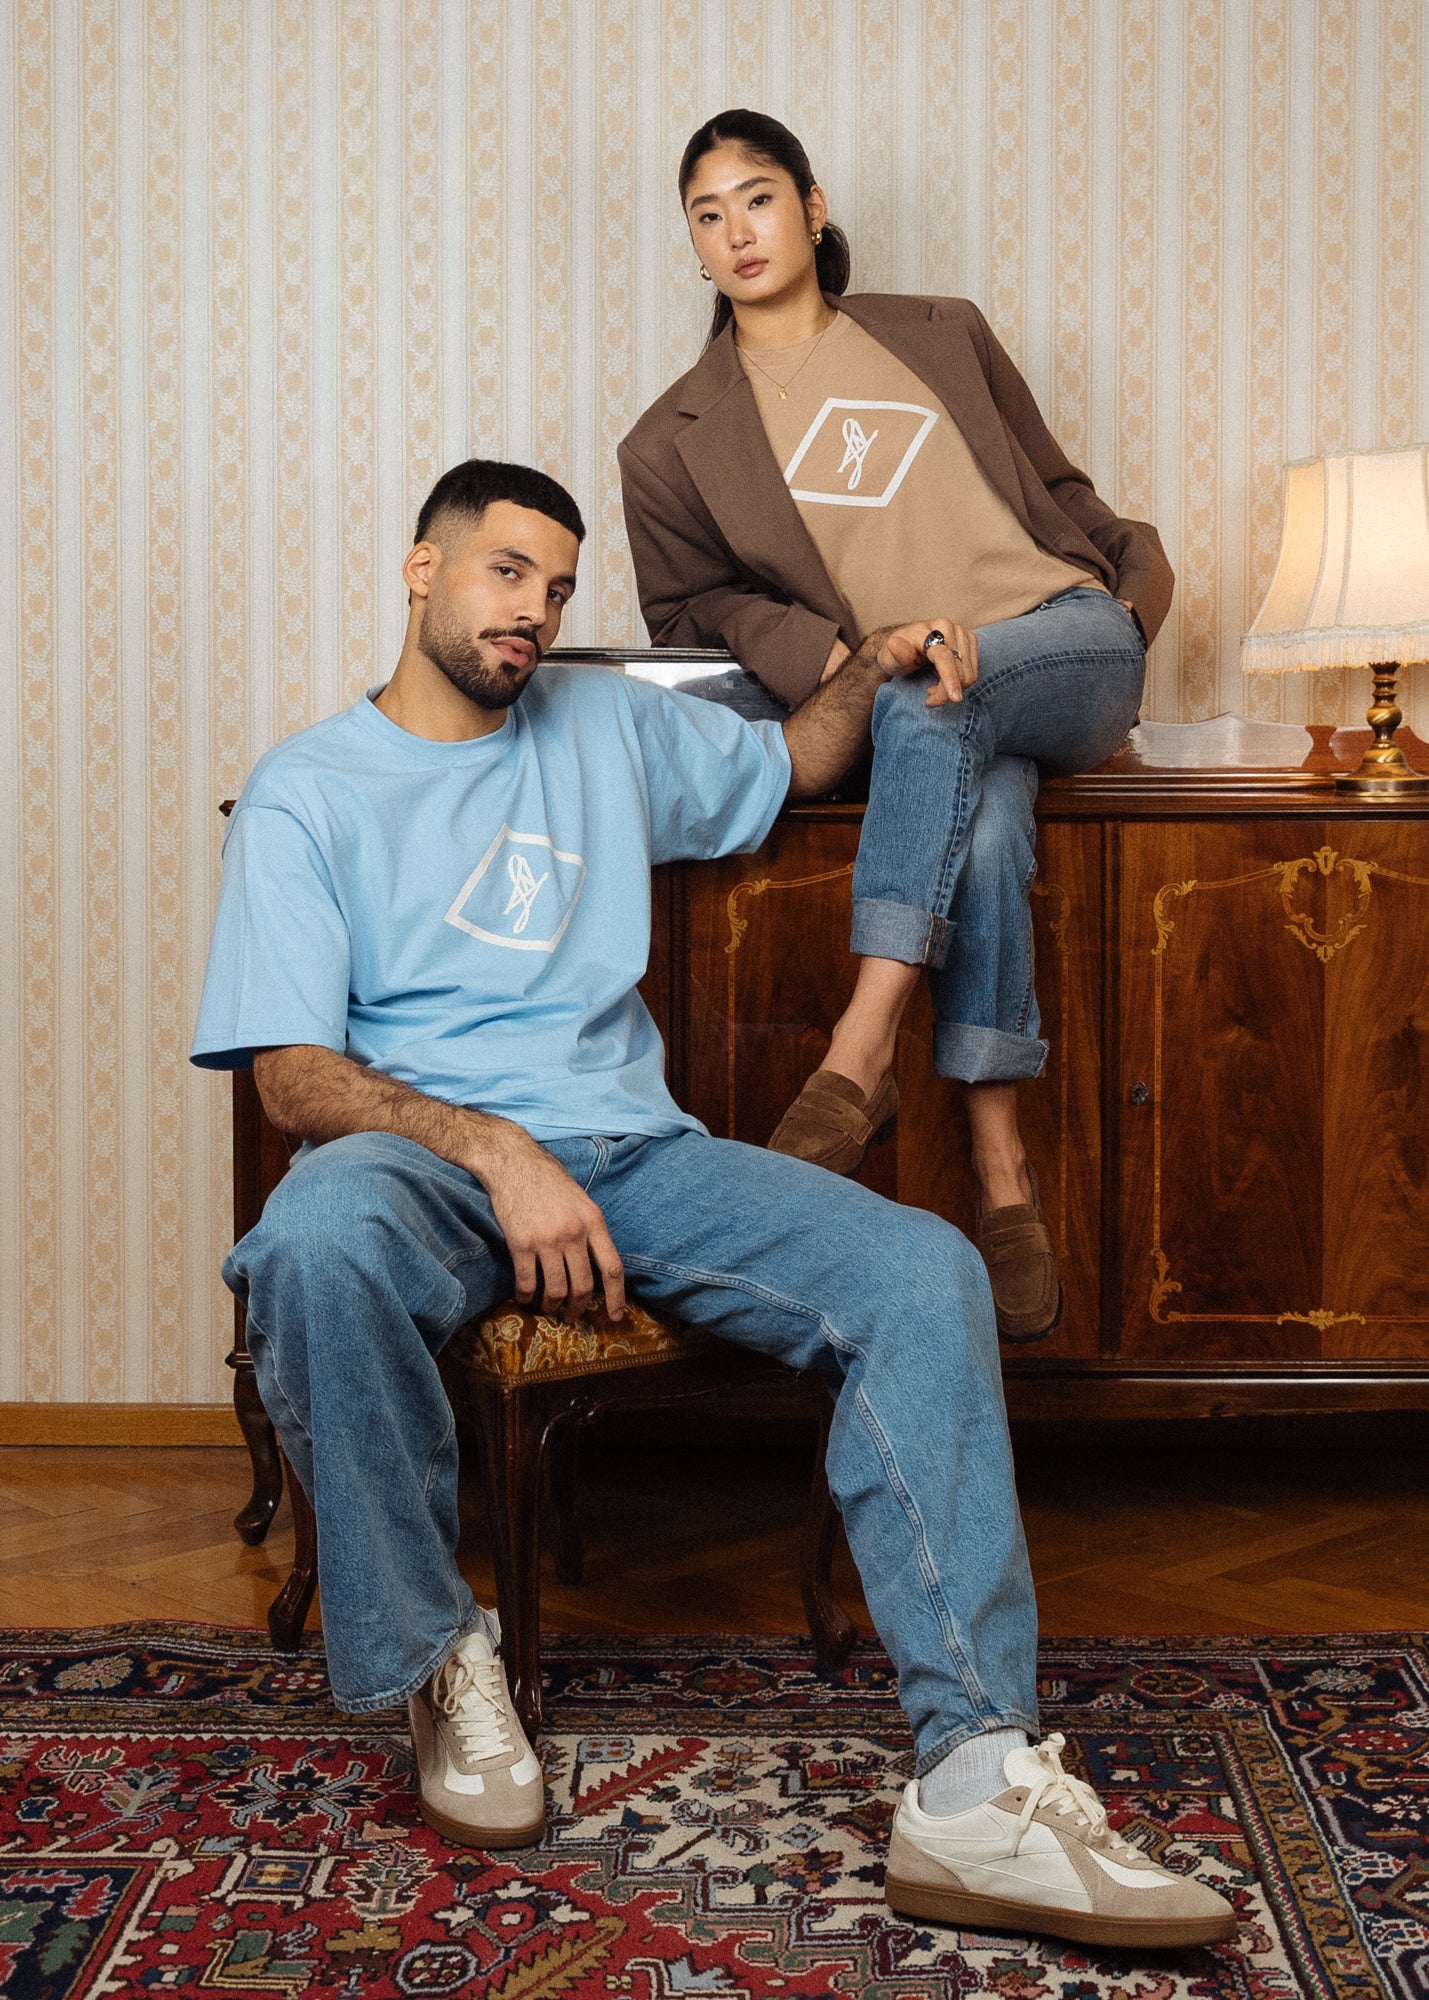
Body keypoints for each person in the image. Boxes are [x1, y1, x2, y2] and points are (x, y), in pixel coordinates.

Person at [191, 457, 1230, 1950]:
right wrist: (495, 1150)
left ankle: (975, 1779)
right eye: (505, 572)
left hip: (634, 1153)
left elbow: (795, 761)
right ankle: (438, 1654)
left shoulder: (603, 723)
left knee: (924, 1270)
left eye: (557, 588)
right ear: (422, 570)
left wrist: (870, 665)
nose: (533, 611)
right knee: (308, 1239)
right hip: (417, 1161)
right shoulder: (308, 787)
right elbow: (294, 1079)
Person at [620, 110, 1175, 1342]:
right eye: (707, 215)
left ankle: (858, 1048)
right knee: (973, 801)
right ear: (693, 245)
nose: (736, 231)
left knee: (941, 710)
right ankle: (1001, 1164)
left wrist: (1133, 601)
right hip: (915, 694)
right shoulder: (668, 444)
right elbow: (686, 609)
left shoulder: (939, 332)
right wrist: (833, 657)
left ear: (811, 206)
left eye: (757, 198)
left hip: (1063, 639)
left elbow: (1062, 491)